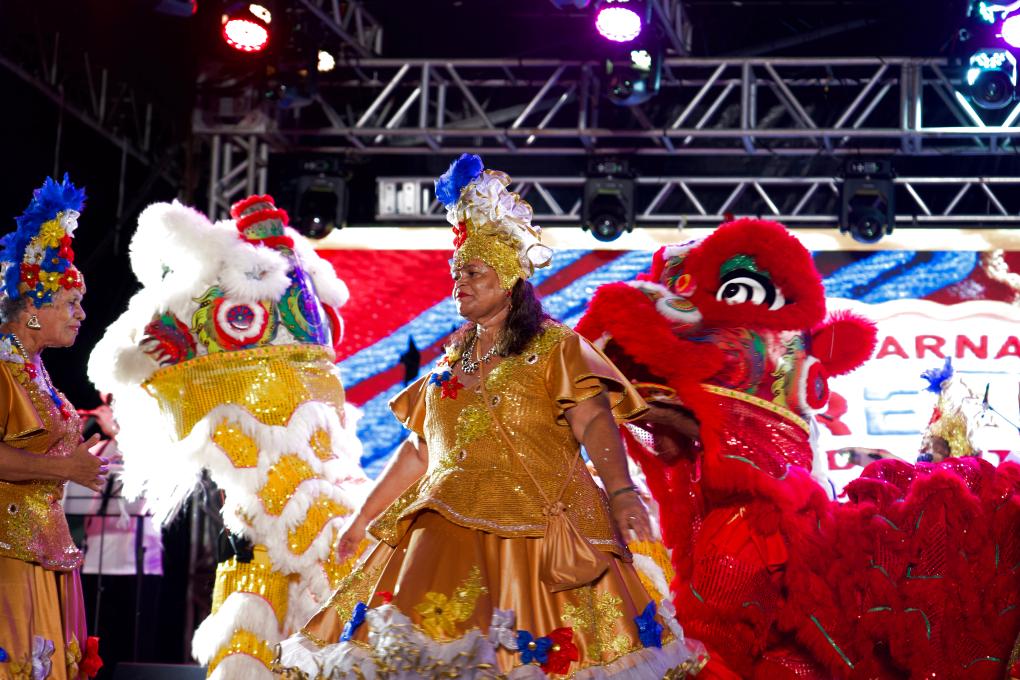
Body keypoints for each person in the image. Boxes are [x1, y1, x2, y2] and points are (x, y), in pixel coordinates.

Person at [276, 155, 706, 679]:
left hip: (540, 539)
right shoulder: (450, 363)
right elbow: (420, 451)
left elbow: (594, 420)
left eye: (473, 273)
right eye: (456, 274)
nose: (459, 283)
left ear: (507, 280)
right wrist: (364, 519)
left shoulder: (555, 346)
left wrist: (621, 493)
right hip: (444, 531)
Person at [0, 175, 106, 679]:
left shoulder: (34, 370)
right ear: (32, 311)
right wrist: (67, 468)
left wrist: (85, 461)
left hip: (43, 547)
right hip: (8, 552)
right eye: (70, 302)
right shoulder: (2, 370)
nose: (81, 314)